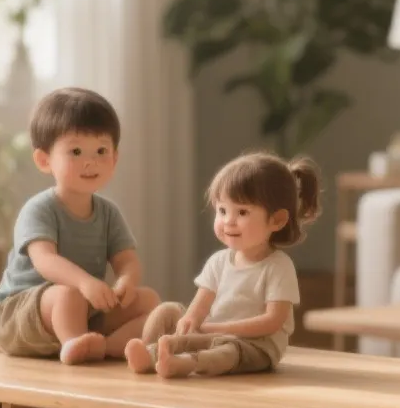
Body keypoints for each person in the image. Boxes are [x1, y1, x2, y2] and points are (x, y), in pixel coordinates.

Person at [0, 87, 174, 364]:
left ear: (115, 158)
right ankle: (72, 343)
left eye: (101, 150)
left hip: (82, 309)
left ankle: (102, 345)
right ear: (44, 160)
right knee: (68, 294)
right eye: (76, 151)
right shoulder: (39, 209)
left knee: (148, 300)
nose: (90, 161)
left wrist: (126, 281)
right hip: (20, 314)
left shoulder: (108, 213)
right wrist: (85, 282)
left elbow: (127, 260)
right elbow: (45, 261)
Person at [126, 152, 319, 379]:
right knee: (167, 310)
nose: (228, 221)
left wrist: (218, 329)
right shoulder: (219, 261)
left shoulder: (278, 267)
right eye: (222, 210)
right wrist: (191, 320)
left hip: (254, 345)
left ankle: (184, 363)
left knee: (227, 352)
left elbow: (272, 322)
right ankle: (151, 354)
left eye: (242, 212)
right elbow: (200, 304)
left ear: (276, 220)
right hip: (211, 331)